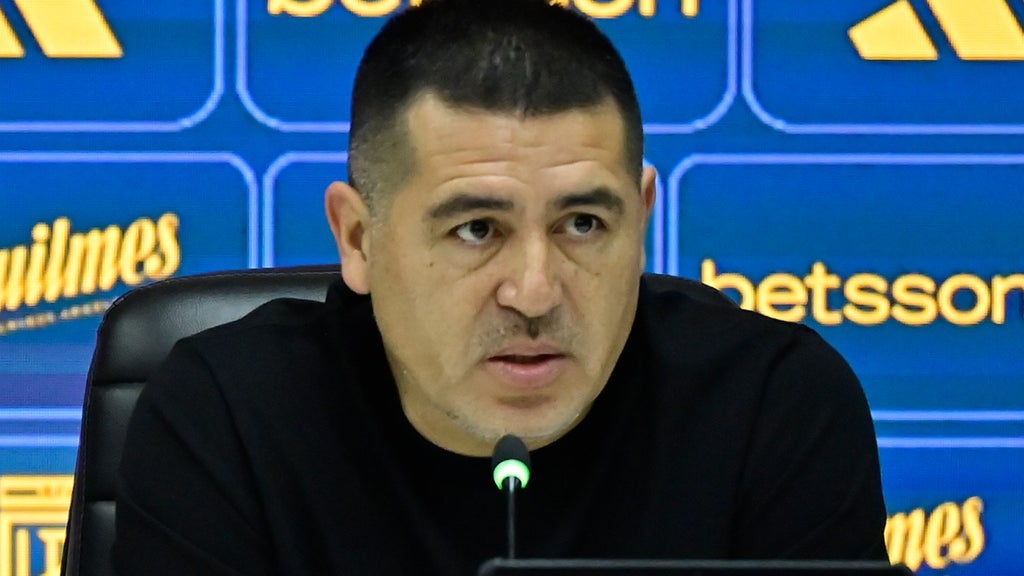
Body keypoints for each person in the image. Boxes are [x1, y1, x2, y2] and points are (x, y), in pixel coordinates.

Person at [112, 0, 888, 574]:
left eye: (583, 224)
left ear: (643, 218)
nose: (535, 292)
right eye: (477, 229)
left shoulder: (772, 406)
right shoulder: (229, 415)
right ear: (358, 239)